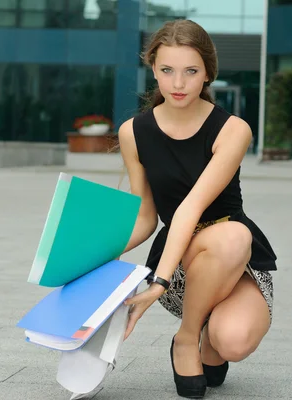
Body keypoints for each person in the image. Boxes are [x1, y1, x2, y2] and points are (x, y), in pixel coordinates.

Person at [116, 19, 278, 399]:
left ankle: (199, 337)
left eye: (190, 71)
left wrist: (156, 285)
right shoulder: (133, 133)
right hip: (181, 266)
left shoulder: (232, 129)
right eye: (167, 70)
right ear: (152, 68)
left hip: (237, 257)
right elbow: (145, 217)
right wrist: (91, 258)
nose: (178, 83)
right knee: (225, 239)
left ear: (208, 73)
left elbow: (192, 207)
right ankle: (188, 338)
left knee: (233, 342)